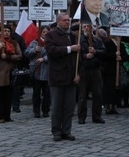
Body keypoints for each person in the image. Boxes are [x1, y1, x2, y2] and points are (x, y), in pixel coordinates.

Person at [45, 13, 81, 141]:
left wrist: (78, 73)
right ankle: (56, 131)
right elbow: (51, 51)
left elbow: (78, 58)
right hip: (57, 76)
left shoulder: (73, 36)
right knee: (56, 107)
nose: (67, 22)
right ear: (58, 21)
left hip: (71, 77)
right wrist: (69, 48)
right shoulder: (51, 35)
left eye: (68, 20)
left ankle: (66, 130)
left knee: (69, 107)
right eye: (65, 20)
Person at [0, 25, 23, 123]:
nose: (6, 32)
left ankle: (7, 116)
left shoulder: (14, 43)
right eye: (4, 31)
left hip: (10, 73)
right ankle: (0, 116)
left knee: (8, 96)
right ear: (0, 32)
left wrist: (8, 56)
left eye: (8, 31)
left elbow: (20, 56)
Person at [77, 24, 106, 124]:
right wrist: (85, 56)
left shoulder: (98, 40)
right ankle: (81, 116)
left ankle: (97, 116)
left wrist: (95, 51)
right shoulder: (79, 41)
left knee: (97, 94)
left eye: (88, 27)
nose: (86, 28)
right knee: (82, 95)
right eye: (84, 26)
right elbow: (77, 55)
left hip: (96, 69)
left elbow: (103, 52)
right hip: (84, 70)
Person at [25, 26, 51, 118]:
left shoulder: (51, 43)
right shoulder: (35, 42)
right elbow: (26, 53)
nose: (45, 34)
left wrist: (44, 59)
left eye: (47, 32)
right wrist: (34, 50)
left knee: (47, 93)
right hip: (36, 70)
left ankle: (45, 110)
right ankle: (36, 110)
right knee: (36, 93)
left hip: (47, 70)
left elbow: (53, 54)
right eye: (43, 32)